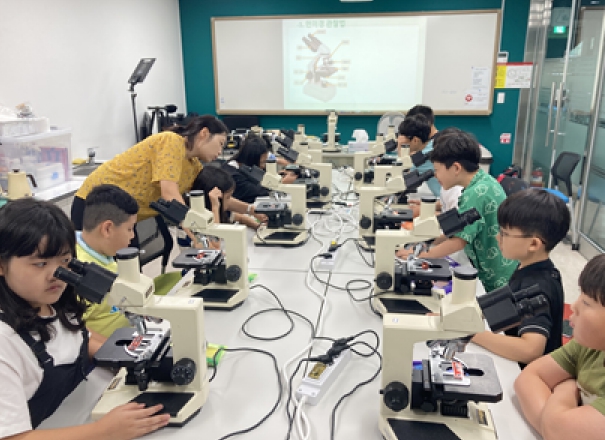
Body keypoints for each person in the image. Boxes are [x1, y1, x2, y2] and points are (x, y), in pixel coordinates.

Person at [0, 198, 169, 439]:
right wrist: (102, 431)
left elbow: (78, 339)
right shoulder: (5, 342)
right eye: (40, 263)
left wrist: (131, 360)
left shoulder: (54, 304)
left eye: (65, 261)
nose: (57, 274)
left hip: (85, 409)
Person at [396, 128, 517, 293]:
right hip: (490, 267)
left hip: (496, 276)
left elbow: (459, 241)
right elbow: (457, 229)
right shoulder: (480, 183)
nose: (435, 175)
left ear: (456, 168)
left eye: (437, 170)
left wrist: (421, 257)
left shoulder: (476, 194)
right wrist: (428, 244)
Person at [471, 189, 570, 367]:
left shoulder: (537, 286)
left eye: (504, 233)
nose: (498, 237)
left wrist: (471, 333)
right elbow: (507, 305)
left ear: (533, 244)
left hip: (525, 373)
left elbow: (530, 350)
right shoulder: (534, 268)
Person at [514, 254, 605, 440]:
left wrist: (565, 387)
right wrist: (553, 426)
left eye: (587, 302)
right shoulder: (590, 346)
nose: (574, 306)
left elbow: (558, 430)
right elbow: (529, 378)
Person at [77, 184, 138, 338]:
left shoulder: (102, 253)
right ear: (107, 229)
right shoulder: (79, 269)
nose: (132, 236)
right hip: (107, 346)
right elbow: (75, 331)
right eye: (130, 229)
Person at [222, 134, 297, 204]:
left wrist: (277, 177)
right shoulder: (232, 175)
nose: (263, 166)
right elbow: (258, 190)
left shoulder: (244, 166)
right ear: (252, 160)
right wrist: (281, 182)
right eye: (262, 162)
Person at [397, 114, 441, 197]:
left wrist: (400, 147)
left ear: (415, 140)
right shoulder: (432, 145)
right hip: (443, 200)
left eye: (404, 144)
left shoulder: (424, 157)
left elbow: (401, 173)